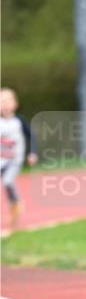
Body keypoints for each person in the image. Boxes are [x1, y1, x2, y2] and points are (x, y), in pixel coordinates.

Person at [0, 87, 26, 228]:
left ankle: (15, 203)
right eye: (1, 101)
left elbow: (31, 135)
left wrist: (33, 152)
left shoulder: (19, 121)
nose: (4, 104)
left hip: (14, 160)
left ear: (15, 103)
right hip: (1, 160)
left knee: (8, 181)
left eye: (7, 100)